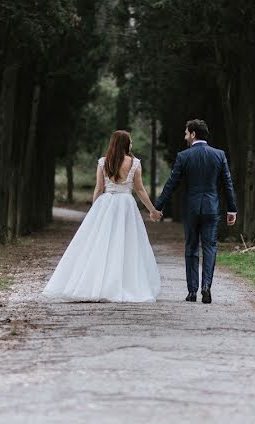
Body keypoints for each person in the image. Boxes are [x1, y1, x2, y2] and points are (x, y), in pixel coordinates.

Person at [43, 130, 162, 302]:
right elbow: (140, 190)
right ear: (125, 143)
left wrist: (94, 210)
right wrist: (152, 210)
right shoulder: (134, 163)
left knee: (101, 243)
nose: (132, 144)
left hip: (106, 204)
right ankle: (121, 284)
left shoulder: (103, 162)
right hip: (126, 205)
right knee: (126, 244)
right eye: (130, 141)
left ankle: (95, 284)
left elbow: (98, 189)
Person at [154, 119, 237, 304]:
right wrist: (232, 209)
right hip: (211, 208)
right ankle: (206, 286)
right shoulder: (219, 155)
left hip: (191, 209)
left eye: (186, 133)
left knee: (191, 247)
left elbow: (171, 183)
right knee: (210, 247)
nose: (185, 137)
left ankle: (192, 291)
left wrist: (158, 206)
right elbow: (227, 184)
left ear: (193, 134)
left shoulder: (184, 156)